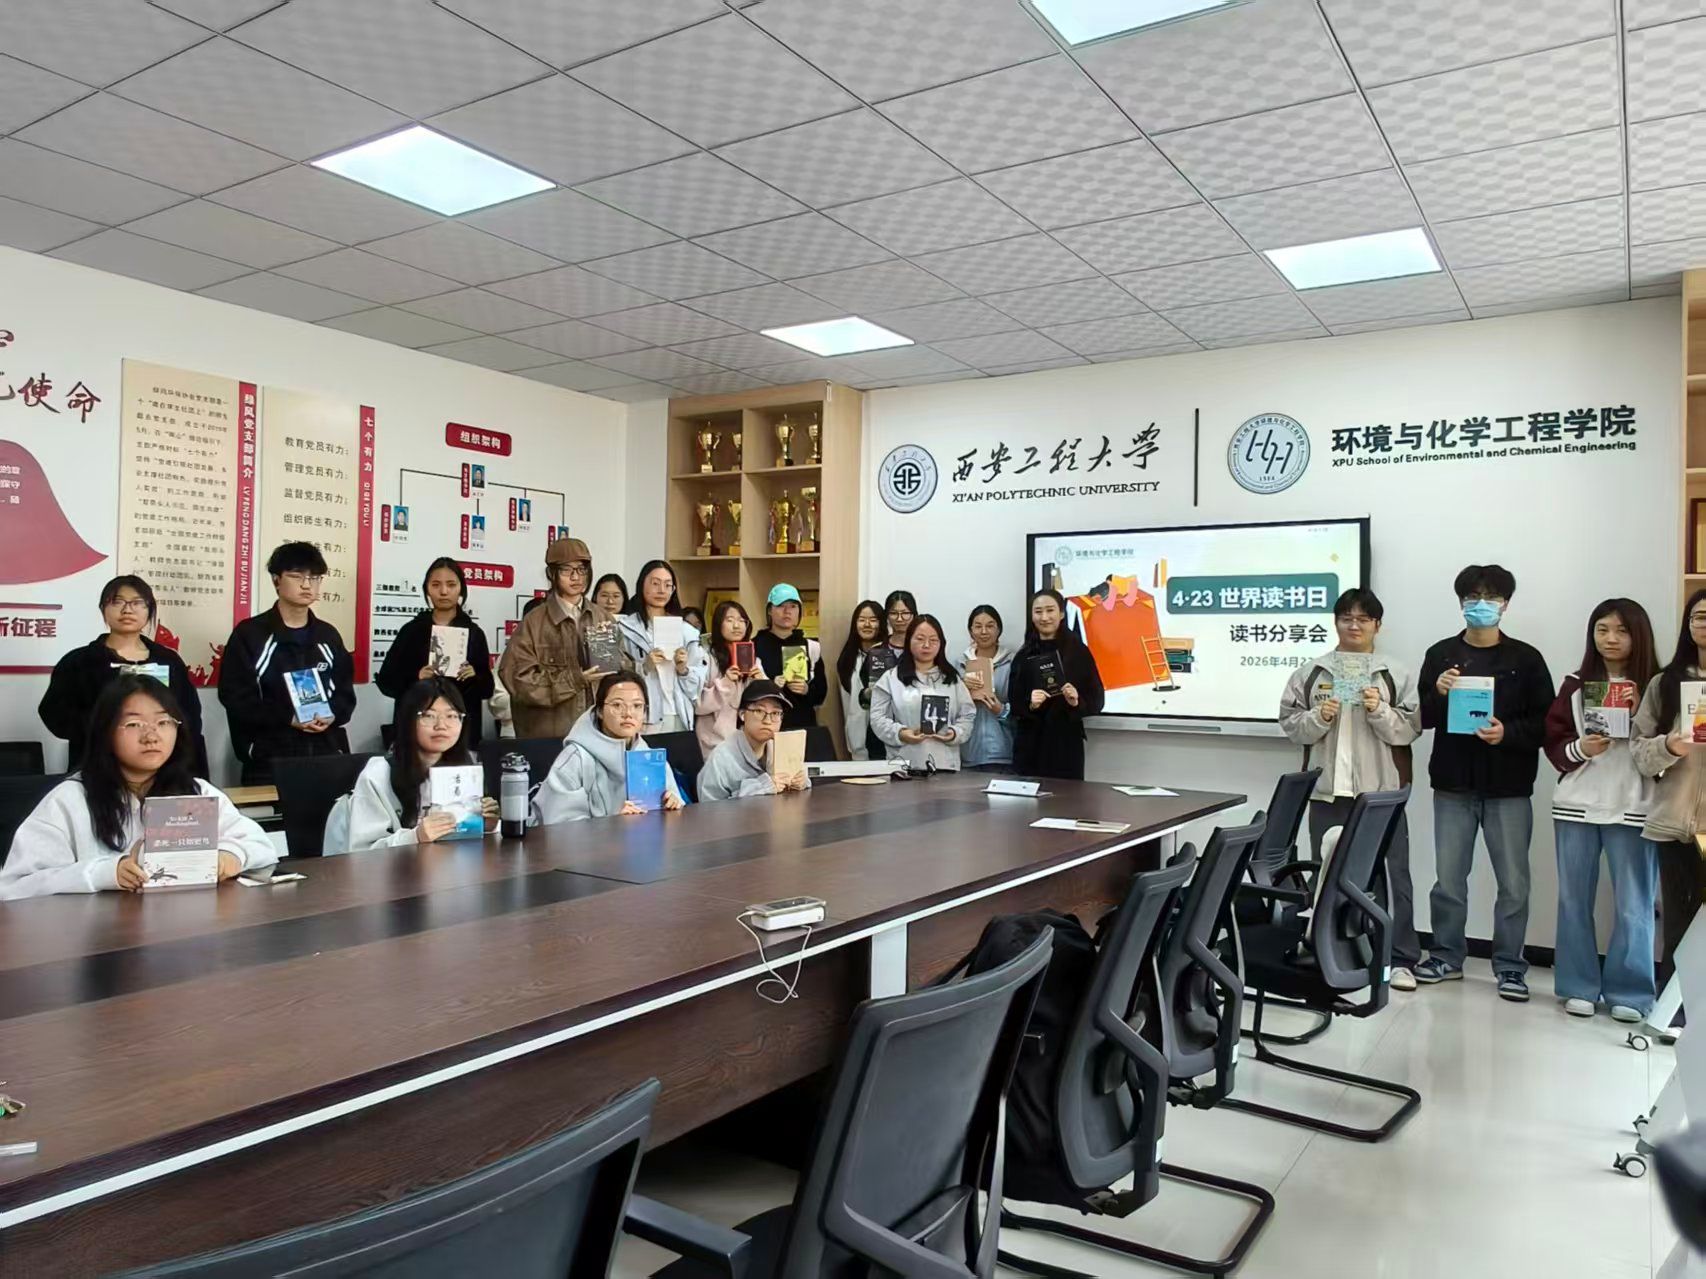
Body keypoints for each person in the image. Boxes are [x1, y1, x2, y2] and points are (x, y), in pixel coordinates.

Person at [1414, 564, 1555, 1002]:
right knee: (1448, 880)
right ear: (1460, 603)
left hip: (1508, 786)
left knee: (1514, 884)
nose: (1481, 605)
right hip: (1453, 784)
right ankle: (1446, 956)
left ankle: (1510, 966)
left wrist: (1507, 733)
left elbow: (1547, 723)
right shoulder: (1440, 654)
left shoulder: (1526, 659)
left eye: (1491, 597)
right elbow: (1421, 718)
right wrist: (1437, 693)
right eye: (1473, 597)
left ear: (1505, 605)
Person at [1, 676, 276, 900]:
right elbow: (15, 886)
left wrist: (230, 856)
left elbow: (261, 844)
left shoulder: (196, 792)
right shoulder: (70, 799)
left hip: (183, 933)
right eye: (133, 724)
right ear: (106, 732)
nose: (151, 736)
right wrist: (105, 873)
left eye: (163, 722)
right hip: (99, 941)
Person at [1277, 588, 1422, 989]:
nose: (1354, 626)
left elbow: (1409, 729)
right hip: (1327, 791)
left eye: (1363, 619)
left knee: (1392, 877)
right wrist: (1319, 717)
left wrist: (1379, 710)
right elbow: (1291, 726)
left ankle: (1399, 958)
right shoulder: (1312, 672)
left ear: (1378, 625)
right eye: (1346, 618)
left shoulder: (1394, 673)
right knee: (1326, 873)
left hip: (1380, 793)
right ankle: (1324, 949)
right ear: (1336, 623)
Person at [1545, 598, 1660, 1022]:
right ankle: (1578, 986)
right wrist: (1581, 748)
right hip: (1576, 806)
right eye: (1602, 629)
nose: (1611, 639)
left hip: (1634, 806)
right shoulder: (1575, 685)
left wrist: (1641, 715)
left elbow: (1672, 746)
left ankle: (1631, 992)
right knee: (1573, 900)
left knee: (1635, 903)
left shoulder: (1657, 686)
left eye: (1622, 630)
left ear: (1639, 635)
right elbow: (1554, 741)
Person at [39, 574, 208, 777]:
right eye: (117, 602)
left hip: (164, 770)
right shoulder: (79, 662)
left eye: (137, 603)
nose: (127, 610)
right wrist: (104, 727)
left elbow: (189, 716)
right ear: (103, 609)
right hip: (98, 767)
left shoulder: (169, 661)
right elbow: (54, 714)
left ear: (150, 610)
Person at [218, 541, 355, 785]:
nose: (307, 585)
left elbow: (345, 695)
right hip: (270, 759)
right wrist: (288, 717)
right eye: (296, 576)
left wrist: (332, 714)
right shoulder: (250, 635)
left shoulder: (328, 636)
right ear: (276, 580)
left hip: (326, 755)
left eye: (314, 578)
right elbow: (235, 697)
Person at [1633, 589, 1706, 986]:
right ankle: (1673, 1009)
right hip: (1674, 824)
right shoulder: (1664, 684)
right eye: (1700, 616)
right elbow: (1640, 754)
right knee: (1679, 923)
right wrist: (1669, 746)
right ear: (1688, 625)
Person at [335, 680, 498, 852]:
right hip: (397, 869)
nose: (441, 726)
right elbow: (362, 851)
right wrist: (416, 837)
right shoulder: (378, 773)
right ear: (408, 719)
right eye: (428, 716)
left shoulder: (468, 768)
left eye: (451, 716)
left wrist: (488, 826)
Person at [534, 671, 684, 823]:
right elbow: (560, 826)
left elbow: (676, 818)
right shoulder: (576, 759)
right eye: (617, 705)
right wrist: (614, 824)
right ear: (599, 711)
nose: (628, 713)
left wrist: (672, 807)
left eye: (637, 706)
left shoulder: (651, 759)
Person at [498, 537, 608, 741]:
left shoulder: (602, 617)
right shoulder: (534, 622)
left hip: (597, 734)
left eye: (582, 569)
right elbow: (517, 679)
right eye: (567, 570)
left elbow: (621, 674)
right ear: (552, 573)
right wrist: (573, 680)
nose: (576, 577)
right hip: (548, 737)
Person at [375, 558, 494, 745]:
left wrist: (475, 676)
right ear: (427, 589)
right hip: (417, 728)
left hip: (461, 732)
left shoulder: (474, 633)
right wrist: (416, 678)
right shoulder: (412, 631)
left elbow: (487, 689)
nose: (444, 591)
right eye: (436, 585)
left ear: (461, 589)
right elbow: (386, 681)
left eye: (451, 585)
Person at [1008, 589, 1105, 780]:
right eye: (1038, 611)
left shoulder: (1079, 652)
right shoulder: (1023, 655)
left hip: (1066, 744)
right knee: (1027, 797)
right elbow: (1014, 701)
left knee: (1067, 798)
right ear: (1032, 616)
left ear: (1061, 613)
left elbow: (1097, 700)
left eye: (1050, 610)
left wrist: (1076, 701)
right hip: (1030, 744)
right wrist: (1030, 704)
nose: (1044, 617)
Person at [870, 614, 976, 773]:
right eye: (920, 639)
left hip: (946, 766)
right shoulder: (891, 678)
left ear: (941, 644)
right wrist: (900, 733)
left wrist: (955, 733)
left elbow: (967, 715)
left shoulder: (952, 679)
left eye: (933, 640)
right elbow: (877, 717)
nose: (927, 645)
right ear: (908, 641)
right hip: (903, 766)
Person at [616, 560, 704, 734]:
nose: (661, 590)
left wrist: (683, 670)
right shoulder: (626, 629)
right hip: (642, 717)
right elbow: (616, 676)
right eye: (655, 583)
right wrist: (644, 666)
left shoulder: (687, 632)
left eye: (667, 585)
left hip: (678, 715)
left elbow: (696, 689)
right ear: (642, 585)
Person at [699, 680, 811, 802]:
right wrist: (761, 787)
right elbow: (709, 808)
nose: (768, 721)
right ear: (742, 714)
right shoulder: (721, 759)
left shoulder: (782, 749)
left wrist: (802, 782)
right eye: (759, 711)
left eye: (775, 713)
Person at [752, 583, 825, 732]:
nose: (787, 611)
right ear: (770, 610)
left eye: (793, 606)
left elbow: (821, 693)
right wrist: (771, 686)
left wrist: (807, 690)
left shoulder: (811, 647)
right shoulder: (754, 646)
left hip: (803, 725)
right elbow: (746, 692)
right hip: (765, 728)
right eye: (780, 606)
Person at [695, 599, 763, 756]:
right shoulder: (706, 658)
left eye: (741, 620)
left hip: (747, 740)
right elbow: (698, 705)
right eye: (729, 620)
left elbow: (764, 702)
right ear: (718, 624)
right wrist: (725, 683)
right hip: (714, 741)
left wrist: (761, 682)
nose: (736, 626)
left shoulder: (754, 659)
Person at [960, 604, 1015, 773]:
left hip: (1004, 752)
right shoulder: (959, 665)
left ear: (999, 630)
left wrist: (1001, 710)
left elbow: (1023, 711)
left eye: (990, 626)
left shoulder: (1012, 663)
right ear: (971, 631)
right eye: (978, 626)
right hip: (968, 753)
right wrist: (963, 691)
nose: (984, 631)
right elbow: (951, 711)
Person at [835, 600, 886, 762]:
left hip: (887, 740)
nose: (867, 624)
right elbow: (847, 704)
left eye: (873, 619)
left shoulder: (889, 656)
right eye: (862, 620)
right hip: (857, 741)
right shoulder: (847, 659)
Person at [883, 590, 917, 659]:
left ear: (914, 615)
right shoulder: (876, 650)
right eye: (894, 613)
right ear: (887, 616)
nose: (899, 619)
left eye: (905, 613)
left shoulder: (922, 649)